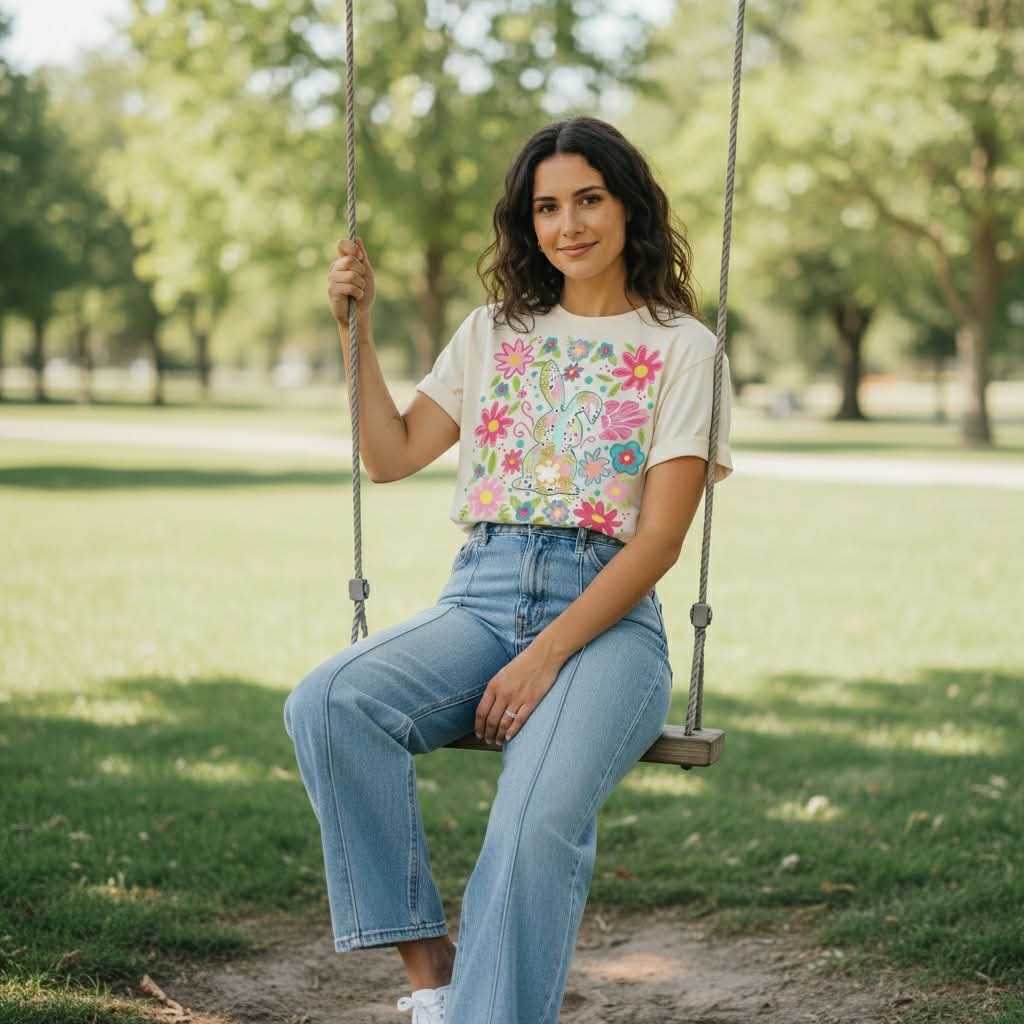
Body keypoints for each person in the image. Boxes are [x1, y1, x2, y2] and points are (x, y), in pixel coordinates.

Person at [284, 115, 733, 1024]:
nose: (569, 225)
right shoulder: (496, 331)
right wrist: (354, 333)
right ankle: (436, 978)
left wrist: (545, 655)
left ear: (629, 206)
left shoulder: (684, 348)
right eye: (547, 207)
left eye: (589, 200)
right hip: (481, 594)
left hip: (605, 619)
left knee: (533, 827)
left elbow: (657, 543)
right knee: (329, 704)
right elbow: (392, 451)